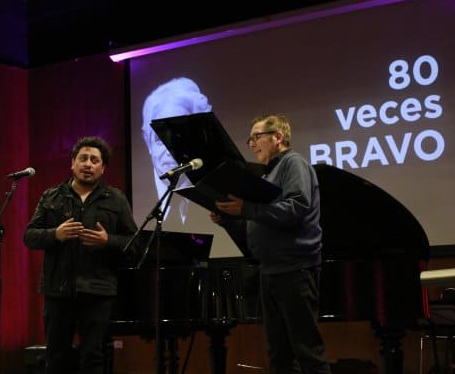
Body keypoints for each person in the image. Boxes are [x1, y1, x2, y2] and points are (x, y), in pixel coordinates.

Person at [210, 114, 331, 374]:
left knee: (307, 352)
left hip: (295, 269)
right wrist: (227, 220)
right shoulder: (268, 174)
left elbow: (296, 208)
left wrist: (246, 208)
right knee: (279, 355)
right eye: (250, 139)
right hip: (271, 271)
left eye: (257, 137)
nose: (252, 144)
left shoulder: (293, 163)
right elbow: (257, 226)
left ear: (278, 137)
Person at [23, 136, 139, 374]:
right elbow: (29, 236)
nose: (88, 164)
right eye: (83, 158)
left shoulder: (116, 199)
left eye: (94, 160)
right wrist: (55, 234)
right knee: (56, 357)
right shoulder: (52, 196)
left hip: (98, 290)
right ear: (72, 163)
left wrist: (108, 241)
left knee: (92, 357)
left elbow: (135, 244)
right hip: (58, 289)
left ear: (103, 168)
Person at [141, 77, 212, 227]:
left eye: (179, 137)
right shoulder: (138, 197)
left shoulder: (215, 192)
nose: (169, 149)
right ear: (148, 144)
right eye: (160, 139)